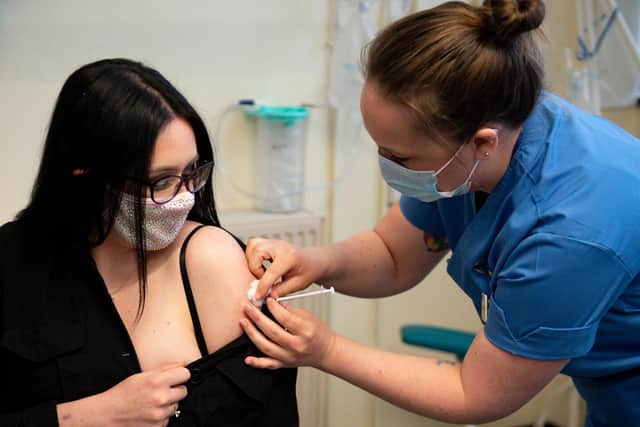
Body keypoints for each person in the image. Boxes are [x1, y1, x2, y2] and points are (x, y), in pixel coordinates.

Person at [239, 1, 640, 426]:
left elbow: (474, 393)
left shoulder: (567, 233)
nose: (387, 166)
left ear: (482, 143)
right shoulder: (480, 141)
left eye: (401, 157)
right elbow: (393, 256)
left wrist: (326, 350)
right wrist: (315, 261)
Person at [0, 58, 298, 427]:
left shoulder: (209, 258)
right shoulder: (15, 262)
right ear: (84, 174)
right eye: (159, 182)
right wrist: (83, 417)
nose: (184, 198)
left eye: (192, 172)